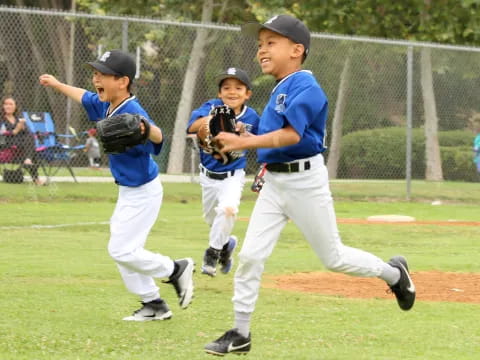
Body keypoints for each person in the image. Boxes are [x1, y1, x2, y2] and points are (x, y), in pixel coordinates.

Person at [204, 15, 416, 356]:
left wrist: (243, 144)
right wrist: (246, 135)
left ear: (297, 49)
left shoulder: (305, 87)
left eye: (271, 42)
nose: (262, 50)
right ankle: (240, 332)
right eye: (260, 44)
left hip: (305, 182)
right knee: (251, 256)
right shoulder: (280, 88)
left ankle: (393, 274)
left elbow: (292, 135)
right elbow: (273, 138)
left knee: (333, 257)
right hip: (275, 181)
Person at [39, 49, 194, 321]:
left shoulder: (132, 111)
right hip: (128, 190)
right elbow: (82, 96)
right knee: (123, 250)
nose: (95, 78)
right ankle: (154, 304)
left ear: (122, 81)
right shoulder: (105, 103)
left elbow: (157, 136)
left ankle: (175, 269)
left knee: (121, 250)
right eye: (95, 73)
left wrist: (147, 128)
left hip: (143, 191)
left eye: (102, 74)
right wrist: (56, 83)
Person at [187, 68, 260, 277]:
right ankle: (226, 244)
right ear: (219, 93)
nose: (232, 92)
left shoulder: (252, 116)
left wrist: (246, 135)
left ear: (247, 94)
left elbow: (262, 139)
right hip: (208, 176)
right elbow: (191, 127)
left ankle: (213, 254)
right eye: (226, 88)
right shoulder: (211, 106)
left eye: (238, 88)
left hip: (233, 175)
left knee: (228, 210)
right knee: (213, 221)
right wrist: (211, 119)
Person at [0, 96, 44, 185]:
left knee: (29, 136)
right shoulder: (1, 119)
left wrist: (23, 127)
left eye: (11, 104)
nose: (8, 106)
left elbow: (28, 133)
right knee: (32, 150)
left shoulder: (18, 119)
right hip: (6, 145)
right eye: (6, 104)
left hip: (20, 147)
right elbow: (2, 133)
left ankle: (28, 159)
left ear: (15, 106)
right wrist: (15, 131)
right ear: (2, 106)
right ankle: (35, 178)